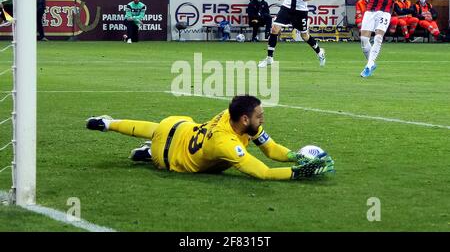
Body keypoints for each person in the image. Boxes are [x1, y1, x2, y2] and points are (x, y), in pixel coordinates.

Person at [86, 95, 334, 180]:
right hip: (171, 159)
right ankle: (148, 153)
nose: (263, 119)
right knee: (158, 137)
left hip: (180, 127)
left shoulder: (233, 115)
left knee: (156, 128)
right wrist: (300, 172)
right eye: (259, 116)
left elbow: (271, 149)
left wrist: (295, 156)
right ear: (245, 119)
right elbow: (263, 172)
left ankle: (107, 123)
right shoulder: (227, 144)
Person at [359, 0, 403, 78]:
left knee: (378, 38)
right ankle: (371, 63)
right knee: (363, 40)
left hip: (385, 11)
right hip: (371, 9)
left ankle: (368, 67)